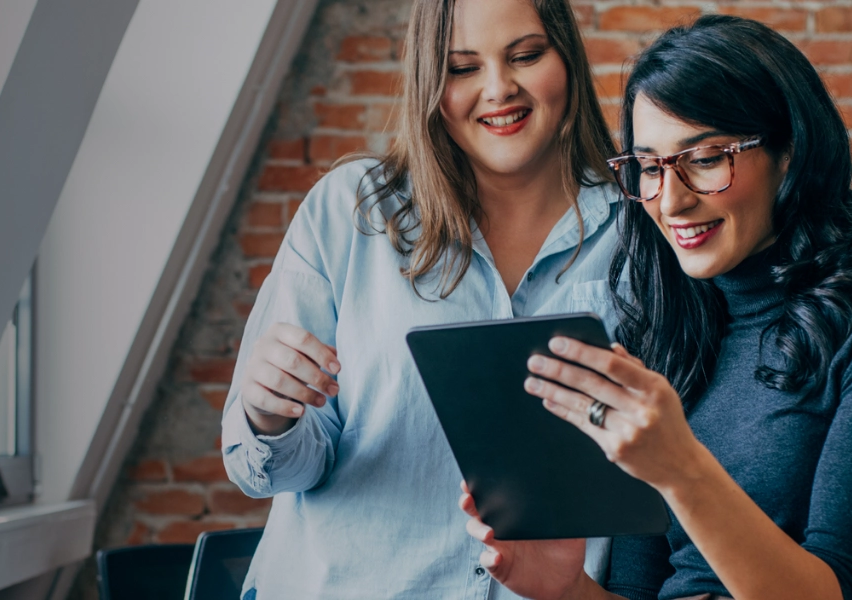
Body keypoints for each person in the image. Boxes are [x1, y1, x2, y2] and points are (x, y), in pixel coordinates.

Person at [460, 15, 852, 600]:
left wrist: (680, 467)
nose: (670, 200)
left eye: (703, 158)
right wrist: (567, 589)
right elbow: (644, 590)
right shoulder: (670, 341)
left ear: (789, 152)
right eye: (649, 167)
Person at [218, 0, 624, 596]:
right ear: (430, 83)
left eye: (527, 55)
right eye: (462, 68)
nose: (498, 89)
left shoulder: (640, 229)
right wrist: (268, 414)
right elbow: (279, 470)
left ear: (567, 58)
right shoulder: (349, 212)